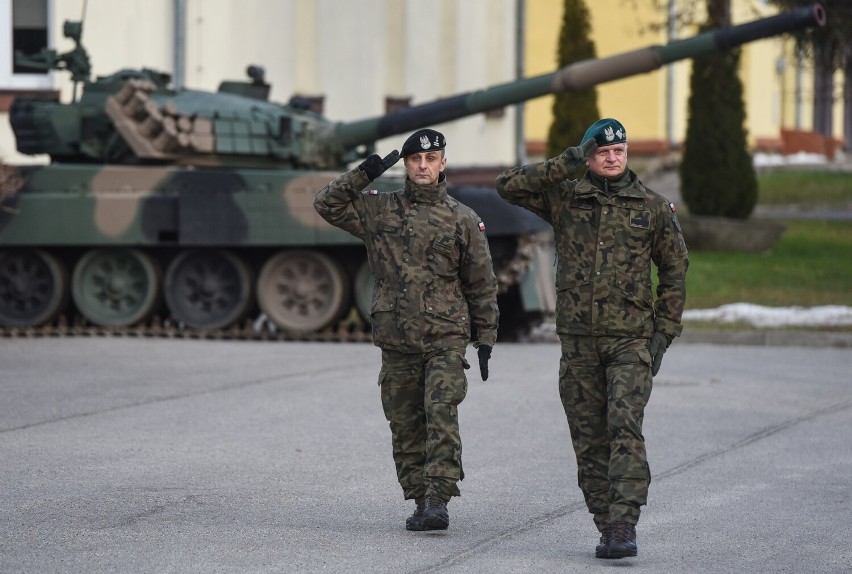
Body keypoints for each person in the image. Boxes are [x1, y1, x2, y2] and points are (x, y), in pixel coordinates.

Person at [495, 118, 688, 559]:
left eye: (619, 150)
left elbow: (675, 269)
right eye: (602, 151)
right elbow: (509, 186)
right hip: (578, 344)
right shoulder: (567, 198)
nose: (613, 157)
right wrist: (569, 161)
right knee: (588, 437)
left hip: (630, 341)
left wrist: (664, 332)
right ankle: (606, 523)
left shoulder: (652, 207)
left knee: (623, 426)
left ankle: (624, 524)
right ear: (589, 154)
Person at [314, 128, 499, 531]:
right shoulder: (379, 210)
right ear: (406, 164)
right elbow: (326, 204)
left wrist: (485, 337)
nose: (422, 165)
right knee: (404, 421)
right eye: (415, 159)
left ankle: (438, 499)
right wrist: (364, 173)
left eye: (430, 159)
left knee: (440, 413)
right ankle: (419, 499)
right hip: (396, 337)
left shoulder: (462, 218)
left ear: (442, 164)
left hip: (445, 337)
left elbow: (481, 282)